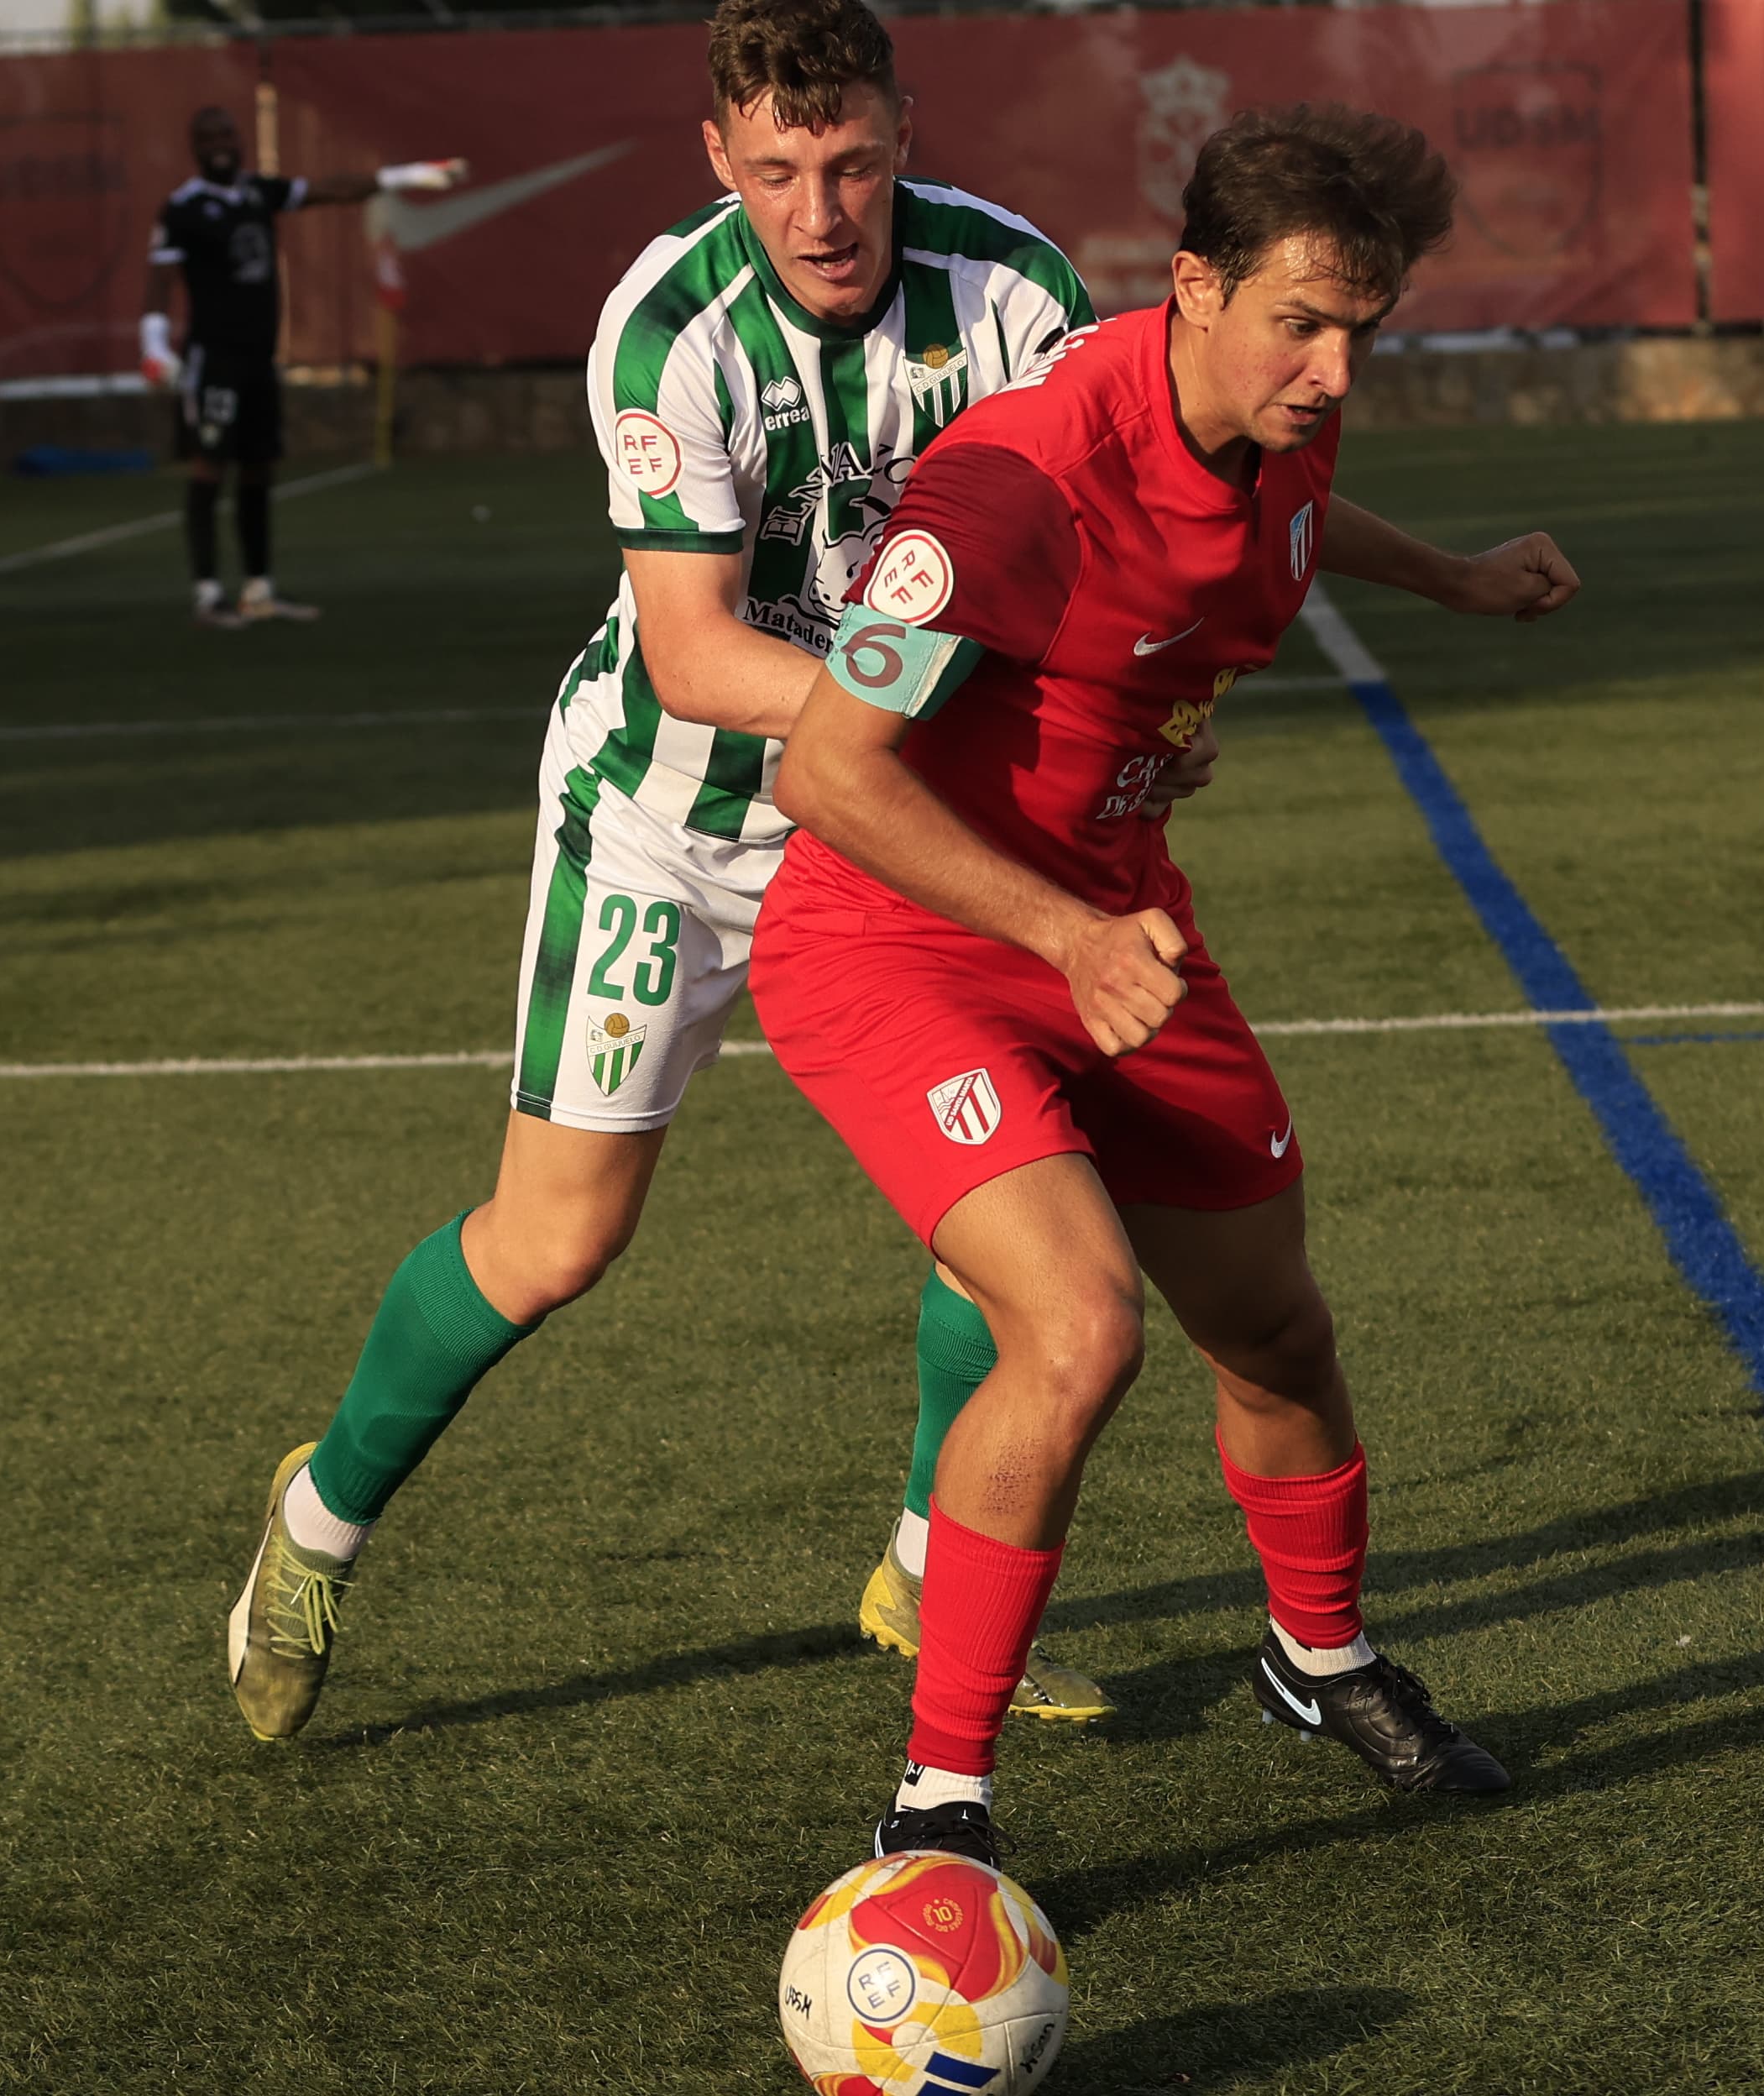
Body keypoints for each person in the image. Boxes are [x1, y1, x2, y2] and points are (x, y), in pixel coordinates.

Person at [225, 0, 1179, 1743]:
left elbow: (1089, 560)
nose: (823, 212)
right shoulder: (671, 324)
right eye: (780, 173)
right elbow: (695, 653)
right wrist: (913, 716)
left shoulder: (1021, 299)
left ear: (905, 131)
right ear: (717, 161)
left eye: (856, 165)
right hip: (676, 822)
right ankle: (314, 1522)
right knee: (558, 1241)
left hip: (905, 835)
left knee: (1012, 1231)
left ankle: (925, 1571)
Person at [751, 102, 1583, 1865]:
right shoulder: (1013, 479)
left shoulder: (1276, 418)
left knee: (1276, 1326)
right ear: (1194, 286)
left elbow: (1289, 513)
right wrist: (1058, 929)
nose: (1335, 367)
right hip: (905, 947)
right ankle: (941, 1802)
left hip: (1118, 930)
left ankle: (1319, 1655)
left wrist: (1449, 577)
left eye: (1364, 327)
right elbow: (823, 771)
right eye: (1301, 322)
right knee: (1080, 1328)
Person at [139, 109, 467, 627]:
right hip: (214, 360)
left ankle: (258, 590)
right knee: (208, 467)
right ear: (193, 145)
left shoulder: (255, 193)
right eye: (209, 137)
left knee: (258, 468)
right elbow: (159, 280)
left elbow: (328, 190)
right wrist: (154, 344)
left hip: (257, 358)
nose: (221, 145)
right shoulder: (183, 209)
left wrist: (401, 177)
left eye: (227, 134)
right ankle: (207, 593)